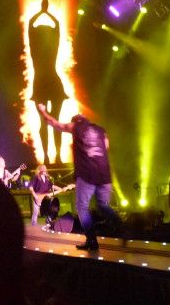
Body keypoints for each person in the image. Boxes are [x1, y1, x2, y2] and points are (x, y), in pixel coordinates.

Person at [37, 104, 119, 250]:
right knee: (103, 205)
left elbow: (53, 123)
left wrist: (42, 111)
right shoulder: (100, 130)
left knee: (82, 207)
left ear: (75, 121)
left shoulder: (76, 126)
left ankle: (92, 241)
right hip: (104, 174)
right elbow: (106, 146)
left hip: (87, 173)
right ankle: (121, 226)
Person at [28, 0, 68, 165]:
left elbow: (31, 24)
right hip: (49, 83)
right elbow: (56, 25)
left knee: (47, 123)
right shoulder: (51, 43)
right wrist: (46, 12)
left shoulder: (35, 45)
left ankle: (53, 156)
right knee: (52, 122)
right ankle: (52, 156)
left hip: (42, 83)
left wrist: (42, 12)